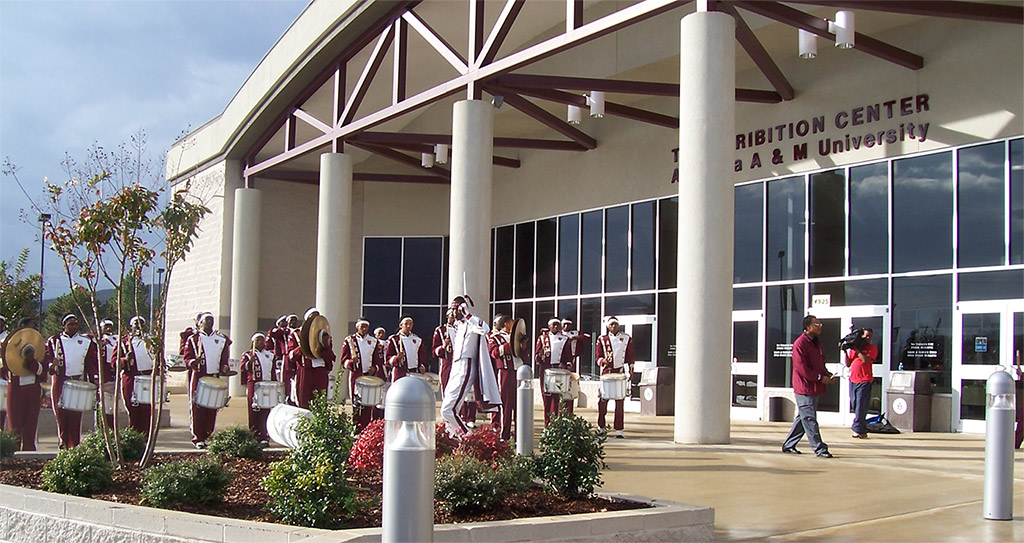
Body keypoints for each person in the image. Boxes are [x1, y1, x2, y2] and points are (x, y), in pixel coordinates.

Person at [440, 295, 501, 437]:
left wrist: (467, 313)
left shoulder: (472, 323)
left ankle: (468, 439)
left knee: (449, 409)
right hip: (456, 365)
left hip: (466, 365)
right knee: (445, 409)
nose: (453, 313)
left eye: (455, 309)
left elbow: (485, 328)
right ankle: (456, 437)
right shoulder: (458, 326)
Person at [782, 315, 835, 458]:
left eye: (820, 324)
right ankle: (820, 448)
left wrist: (826, 374)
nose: (820, 327)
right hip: (804, 388)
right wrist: (819, 377)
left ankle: (789, 444)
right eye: (817, 324)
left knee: (804, 417)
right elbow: (801, 368)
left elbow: (820, 363)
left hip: (814, 387)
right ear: (808, 327)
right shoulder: (800, 344)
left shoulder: (817, 343)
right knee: (809, 418)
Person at [44, 314, 100, 449]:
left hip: (77, 381)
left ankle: (74, 445)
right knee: (61, 415)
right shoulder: (54, 341)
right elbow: (48, 362)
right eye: (70, 324)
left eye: (75, 324)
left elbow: (91, 364)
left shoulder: (86, 342)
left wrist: (95, 380)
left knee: (75, 416)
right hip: (60, 381)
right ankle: (63, 444)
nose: (73, 327)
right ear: (64, 326)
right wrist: (52, 365)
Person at [182, 312, 231, 448]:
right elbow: (186, 358)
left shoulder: (220, 339)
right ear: (200, 323)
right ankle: (198, 437)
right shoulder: (194, 339)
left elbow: (224, 358)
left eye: (211, 320)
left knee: (212, 407)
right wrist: (193, 361)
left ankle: (208, 434)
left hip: (214, 376)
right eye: (207, 320)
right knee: (198, 407)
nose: (210, 323)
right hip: (198, 377)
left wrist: (224, 367)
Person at [4, 317, 45, 451]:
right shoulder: (9, 346)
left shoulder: (39, 346)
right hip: (15, 388)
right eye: (32, 326)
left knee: (31, 423)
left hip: (32, 388)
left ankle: (29, 451)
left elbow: (42, 372)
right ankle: (13, 453)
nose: (35, 329)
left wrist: (31, 361)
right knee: (14, 425)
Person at [339, 317, 386, 432]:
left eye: (366, 327)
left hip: (369, 377)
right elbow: (343, 360)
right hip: (356, 376)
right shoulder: (349, 340)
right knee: (356, 404)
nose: (364, 329)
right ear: (357, 327)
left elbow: (378, 361)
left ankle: (365, 429)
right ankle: (355, 429)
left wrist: (374, 368)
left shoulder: (374, 341)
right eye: (362, 326)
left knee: (368, 404)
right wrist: (351, 362)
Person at [486, 314, 525, 441]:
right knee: (506, 405)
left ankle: (519, 436)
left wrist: (523, 347)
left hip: (519, 372)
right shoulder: (495, 337)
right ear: (505, 324)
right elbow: (494, 353)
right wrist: (510, 344)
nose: (514, 325)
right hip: (505, 372)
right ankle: (505, 435)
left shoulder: (518, 337)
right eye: (511, 322)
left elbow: (524, 355)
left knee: (520, 405)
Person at [288, 308, 335, 408]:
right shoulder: (296, 334)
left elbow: (331, 356)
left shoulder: (325, 335)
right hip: (305, 370)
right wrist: (304, 345)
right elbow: (291, 356)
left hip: (320, 370)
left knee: (320, 400)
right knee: (303, 400)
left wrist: (325, 345)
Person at [596, 316, 634, 438]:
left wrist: (631, 369)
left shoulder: (626, 338)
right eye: (611, 324)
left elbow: (630, 355)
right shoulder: (602, 339)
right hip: (607, 372)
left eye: (615, 324)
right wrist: (603, 361)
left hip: (619, 372)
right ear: (607, 326)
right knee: (603, 401)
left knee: (619, 402)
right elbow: (598, 357)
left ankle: (619, 430)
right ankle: (601, 426)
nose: (613, 326)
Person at [119, 317, 156, 436]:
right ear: (131, 326)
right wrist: (125, 360)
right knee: (133, 410)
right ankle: (134, 437)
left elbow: (159, 359)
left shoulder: (151, 341)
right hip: (131, 380)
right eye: (136, 324)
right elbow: (115, 361)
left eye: (141, 324)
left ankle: (145, 438)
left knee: (146, 411)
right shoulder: (124, 342)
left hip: (147, 378)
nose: (139, 327)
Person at [535, 318, 573, 425]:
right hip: (546, 370)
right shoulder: (542, 338)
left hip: (558, 370)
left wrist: (568, 365)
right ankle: (547, 423)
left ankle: (556, 422)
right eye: (553, 325)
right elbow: (537, 356)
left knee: (556, 398)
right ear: (549, 326)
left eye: (557, 325)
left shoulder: (565, 338)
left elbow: (568, 356)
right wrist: (539, 356)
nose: (556, 327)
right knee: (546, 398)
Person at [240, 333, 276, 445]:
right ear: (253, 342)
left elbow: (273, 370)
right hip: (254, 385)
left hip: (267, 385)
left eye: (262, 340)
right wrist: (248, 363)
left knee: (266, 411)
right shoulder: (248, 355)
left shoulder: (270, 355)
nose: (261, 342)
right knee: (255, 410)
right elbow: (243, 368)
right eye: (258, 340)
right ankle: (255, 435)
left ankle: (264, 435)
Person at [845, 328, 876, 439]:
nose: (868, 338)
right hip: (853, 379)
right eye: (866, 336)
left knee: (861, 405)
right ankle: (862, 430)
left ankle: (857, 429)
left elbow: (864, 360)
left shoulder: (872, 348)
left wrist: (857, 349)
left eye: (870, 336)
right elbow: (848, 363)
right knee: (855, 404)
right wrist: (845, 351)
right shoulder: (855, 349)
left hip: (865, 380)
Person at [385, 316, 428, 382]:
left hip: (414, 372)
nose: (408, 326)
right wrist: (396, 358)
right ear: (401, 325)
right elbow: (387, 358)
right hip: (400, 372)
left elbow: (422, 355)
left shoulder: (417, 340)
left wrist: (422, 365)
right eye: (406, 324)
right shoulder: (394, 339)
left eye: (410, 324)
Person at [98, 319, 118, 430]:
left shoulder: (117, 338)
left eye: (110, 326)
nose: (109, 329)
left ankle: (113, 429)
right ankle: (102, 428)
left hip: (115, 374)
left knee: (113, 404)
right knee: (103, 404)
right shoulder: (98, 340)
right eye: (106, 327)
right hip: (104, 375)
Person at [432, 310, 456, 391]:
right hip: (447, 362)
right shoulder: (440, 330)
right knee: (446, 387)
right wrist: (444, 346)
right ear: (447, 316)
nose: (454, 318)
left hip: (459, 362)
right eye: (452, 315)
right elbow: (434, 351)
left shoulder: (461, 329)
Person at [281, 314, 301, 405]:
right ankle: (286, 395)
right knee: (286, 377)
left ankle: (294, 397)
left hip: (298, 356)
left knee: (296, 377)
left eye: (295, 320)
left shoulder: (300, 331)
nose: (293, 322)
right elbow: (273, 333)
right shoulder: (285, 331)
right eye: (291, 320)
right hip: (287, 356)